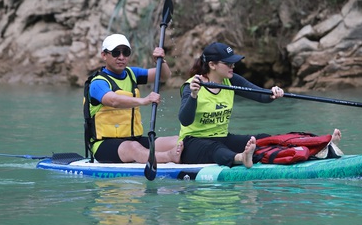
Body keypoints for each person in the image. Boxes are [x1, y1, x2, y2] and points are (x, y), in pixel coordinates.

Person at [177, 42, 286, 168]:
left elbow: (260, 95)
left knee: (262, 139)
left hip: (222, 138)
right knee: (216, 148)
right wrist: (193, 95)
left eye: (233, 62)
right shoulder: (191, 86)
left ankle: (295, 152)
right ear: (212, 65)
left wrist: (272, 94)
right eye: (228, 63)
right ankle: (241, 158)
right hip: (192, 143)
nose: (233, 66)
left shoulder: (231, 80)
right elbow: (185, 120)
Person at [84, 33, 182, 163]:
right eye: (116, 53)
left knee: (176, 140)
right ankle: (169, 157)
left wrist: (160, 61)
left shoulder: (132, 74)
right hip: (104, 145)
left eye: (126, 52)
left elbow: (164, 76)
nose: (121, 57)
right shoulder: (97, 83)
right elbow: (113, 100)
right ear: (104, 55)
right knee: (133, 147)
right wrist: (144, 100)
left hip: (133, 139)